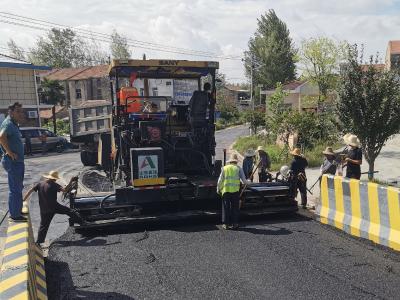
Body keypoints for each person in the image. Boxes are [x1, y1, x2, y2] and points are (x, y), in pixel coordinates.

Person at [23, 170, 85, 246]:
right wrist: (71, 180)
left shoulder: (40, 184)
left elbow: (30, 191)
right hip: (54, 207)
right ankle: (82, 222)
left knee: (43, 225)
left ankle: (39, 242)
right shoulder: (54, 185)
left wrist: (23, 200)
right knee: (69, 211)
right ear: (54, 178)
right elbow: (65, 190)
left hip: (43, 209)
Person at [0, 102, 26, 222]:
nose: (21, 114)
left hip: (18, 161)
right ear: (10, 112)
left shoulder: (14, 124)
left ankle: (17, 210)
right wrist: (9, 152)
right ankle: (15, 215)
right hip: (13, 162)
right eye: (18, 111)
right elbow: (1, 137)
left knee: (18, 187)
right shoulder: (9, 124)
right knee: (15, 188)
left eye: (21, 111)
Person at [217, 154, 250, 230]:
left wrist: (218, 189)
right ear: (236, 161)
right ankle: (235, 224)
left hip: (226, 191)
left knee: (226, 207)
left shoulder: (224, 168)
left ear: (230, 161)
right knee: (235, 208)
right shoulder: (238, 169)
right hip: (235, 192)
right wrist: (249, 181)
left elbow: (220, 181)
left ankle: (226, 225)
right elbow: (244, 181)